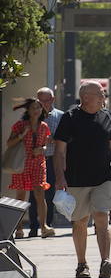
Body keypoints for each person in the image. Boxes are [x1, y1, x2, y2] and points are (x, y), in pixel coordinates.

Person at [54, 81, 111, 278]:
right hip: (76, 179)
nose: (103, 98)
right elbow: (59, 151)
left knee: (102, 216)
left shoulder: (106, 116)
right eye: (100, 94)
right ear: (86, 97)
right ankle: (82, 264)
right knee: (80, 222)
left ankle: (105, 262)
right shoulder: (70, 118)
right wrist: (60, 177)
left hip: (104, 178)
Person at [5, 99, 54, 239]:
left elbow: (46, 145)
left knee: (40, 193)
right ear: (28, 110)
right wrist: (22, 134)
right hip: (22, 163)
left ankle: (44, 226)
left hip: (38, 163)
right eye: (33, 108)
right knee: (20, 196)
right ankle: (18, 228)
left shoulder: (44, 126)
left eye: (39, 108)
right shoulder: (20, 125)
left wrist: (42, 149)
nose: (36, 110)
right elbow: (9, 143)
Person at [25, 87, 64, 237]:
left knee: (49, 194)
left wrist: (52, 139)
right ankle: (34, 227)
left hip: (51, 160)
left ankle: (47, 223)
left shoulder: (60, 116)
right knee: (33, 196)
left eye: (45, 101)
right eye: (39, 101)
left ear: (52, 100)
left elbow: (65, 139)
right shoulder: (31, 117)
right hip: (33, 161)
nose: (42, 104)